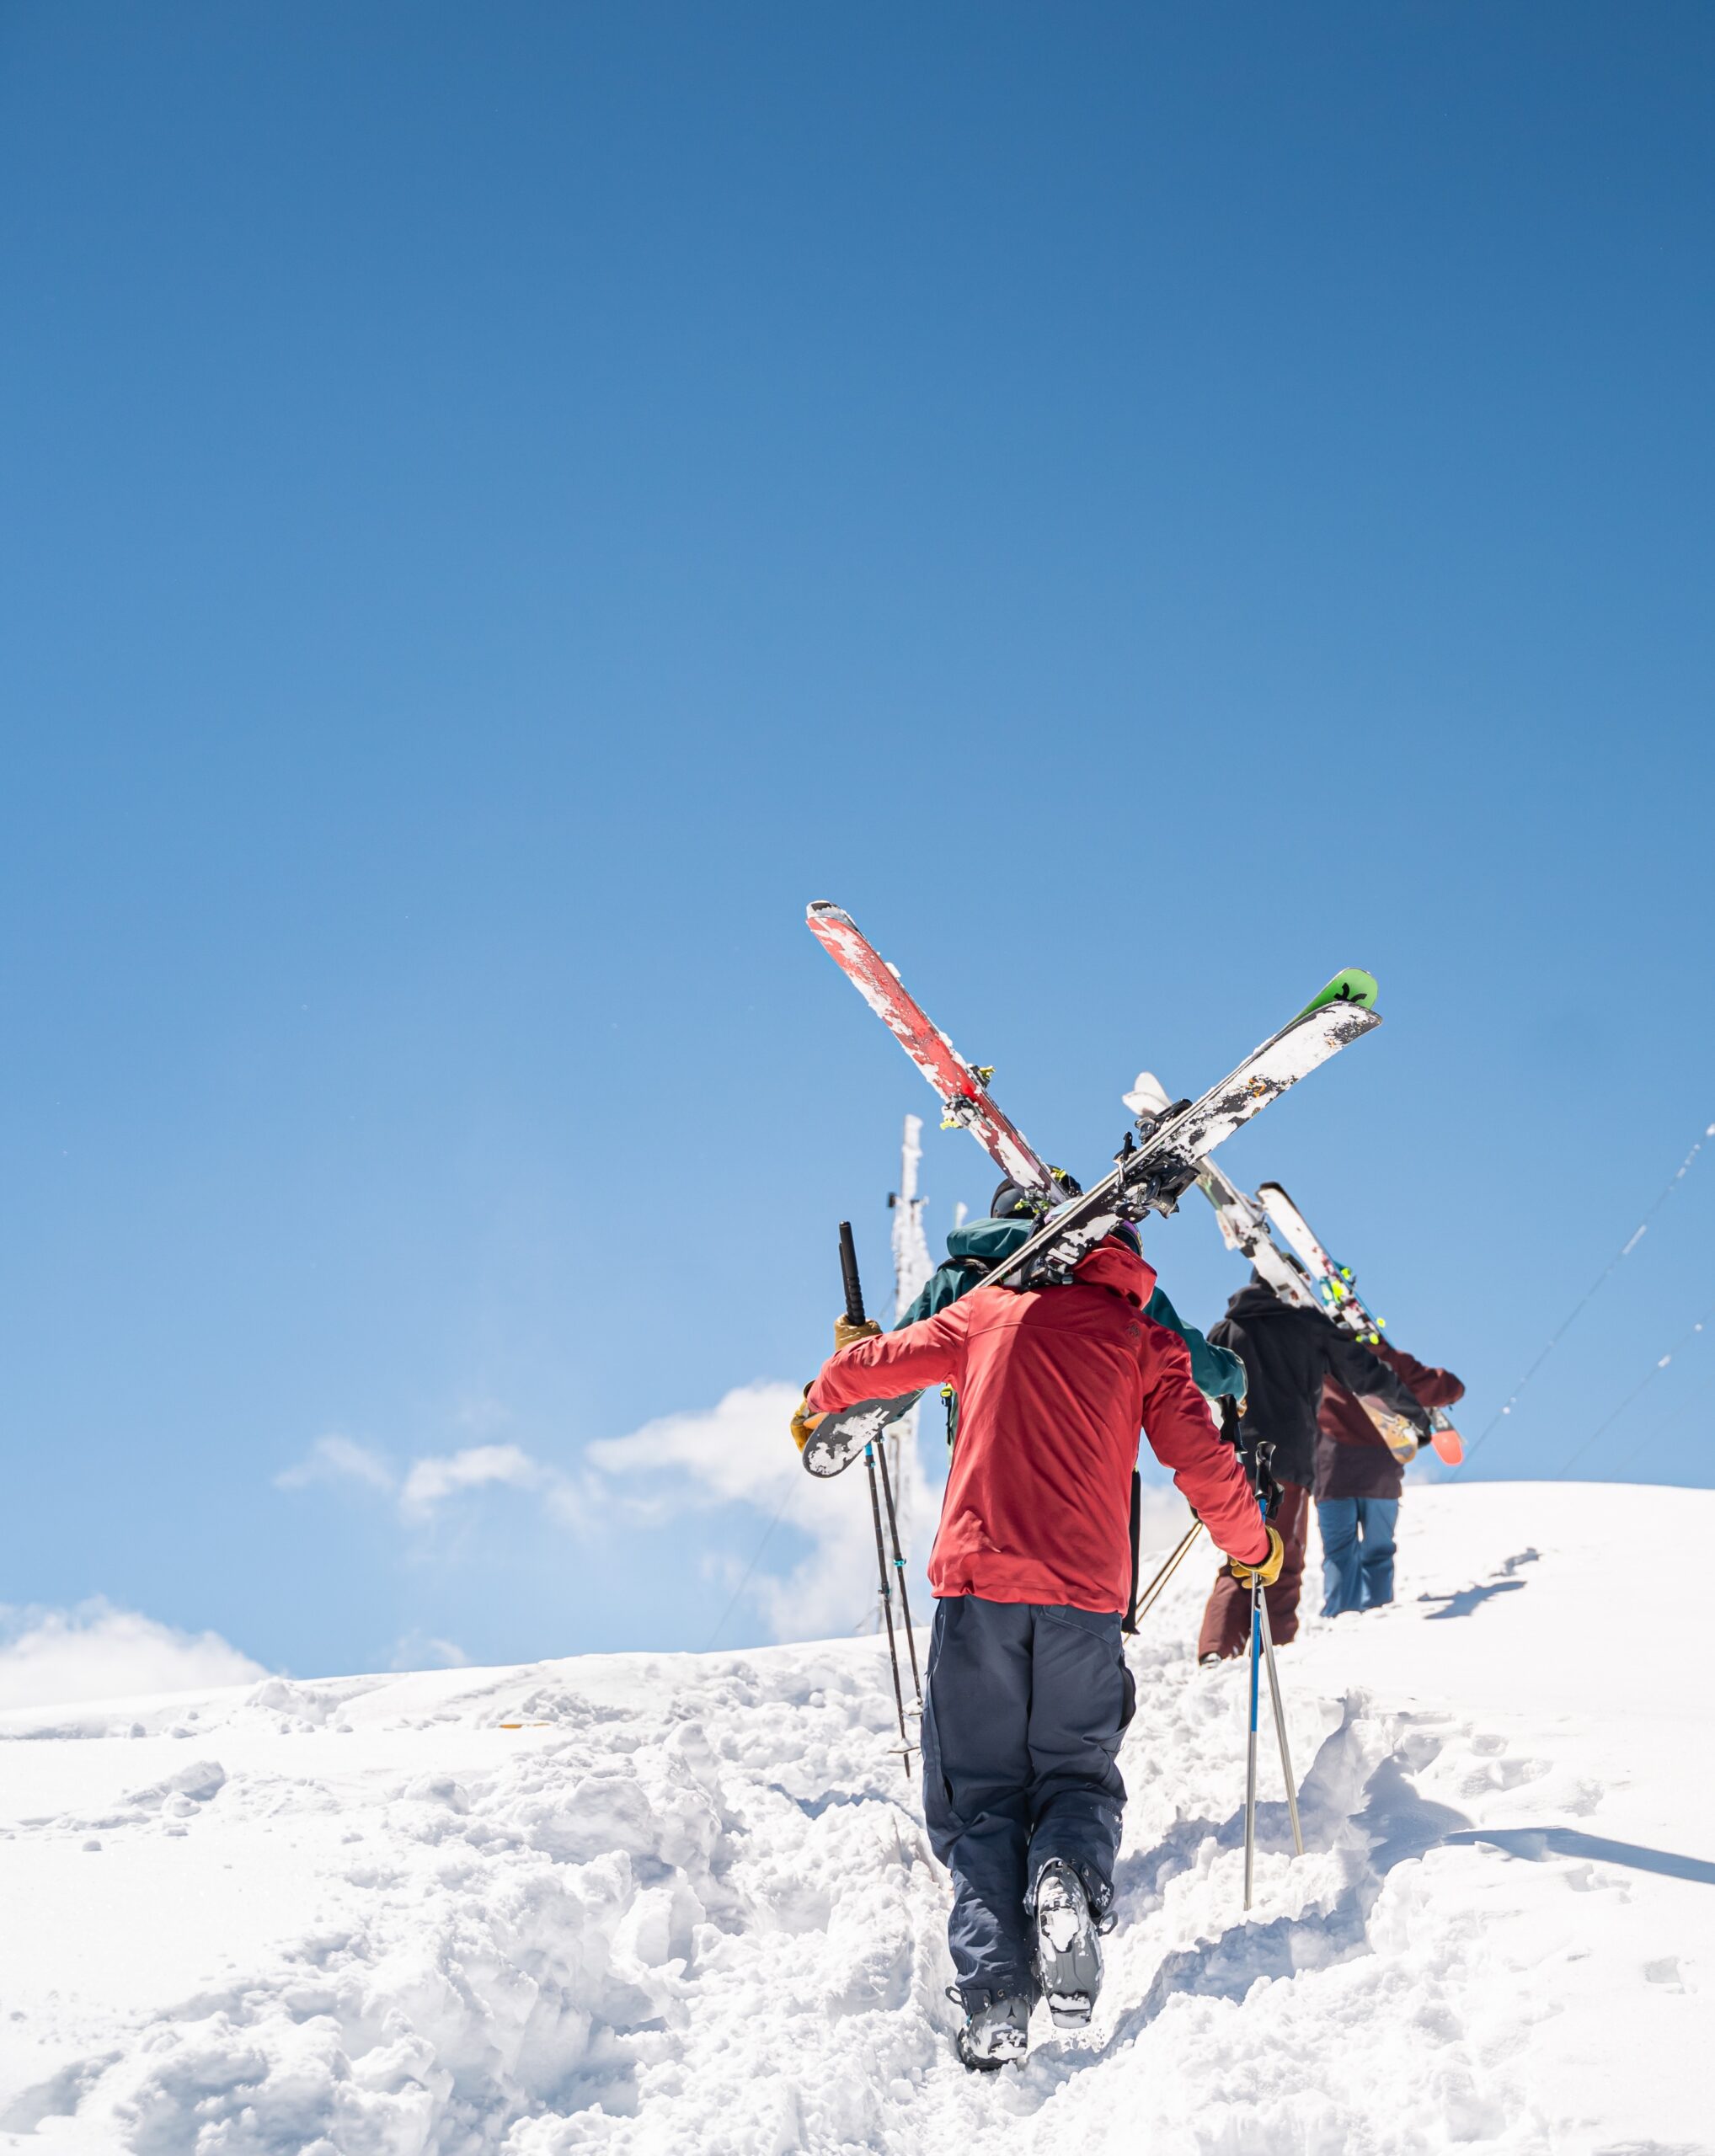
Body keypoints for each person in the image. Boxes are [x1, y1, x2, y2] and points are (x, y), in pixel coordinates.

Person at [793, 1220, 1280, 2073]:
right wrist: (1252, 1546)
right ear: (1127, 1270)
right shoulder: (1145, 1341)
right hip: (1084, 1601)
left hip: (978, 1590)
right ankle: (1065, 1874)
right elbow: (1201, 1464)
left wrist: (852, 1350)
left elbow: (854, 1382)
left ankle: (994, 1999)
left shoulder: (985, 1313)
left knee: (980, 1795)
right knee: (1073, 1775)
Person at [1195, 1273, 1430, 1668]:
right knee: (1280, 1559)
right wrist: (1413, 1416)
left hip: (1232, 1461)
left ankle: (1218, 1649)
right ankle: (1275, 1655)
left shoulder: (1226, 1328)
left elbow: (1200, 1390)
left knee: (1241, 1553)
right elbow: (1366, 1373)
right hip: (1284, 1461)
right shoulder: (1307, 1325)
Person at [1316, 1338, 1464, 1615]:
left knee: (1339, 1554)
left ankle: (1339, 1617)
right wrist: (1449, 1394)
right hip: (1380, 1474)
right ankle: (1377, 1615)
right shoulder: (1391, 1360)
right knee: (1378, 1552)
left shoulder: (1320, 1360)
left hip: (1332, 1471)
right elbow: (1445, 1386)